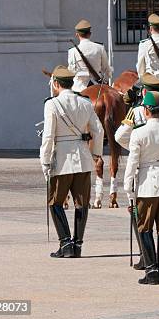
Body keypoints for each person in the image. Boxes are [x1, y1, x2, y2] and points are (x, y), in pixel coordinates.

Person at [115, 72, 159, 268]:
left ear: (145, 91)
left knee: (143, 224)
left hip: (146, 177)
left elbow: (119, 136)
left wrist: (138, 151)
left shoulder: (138, 111)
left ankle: (148, 264)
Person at [40, 65, 104, 258]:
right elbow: (98, 130)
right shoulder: (85, 102)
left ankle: (65, 243)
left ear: (57, 84)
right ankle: (77, 244)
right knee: (81, 203)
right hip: (83, 158)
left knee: (55, 203)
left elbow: (49, 135)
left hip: (62, 160)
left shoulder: (52, 104)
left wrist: (45, 160)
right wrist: (96, 154)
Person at [67, 19, 112, 92]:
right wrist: (106, 81)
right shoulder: (99, 47)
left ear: (77, 34)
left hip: (79, 88)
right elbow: (106, 69)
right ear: (90, 34)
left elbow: (71, 71)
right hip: (97, 86)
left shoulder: (72, 51)